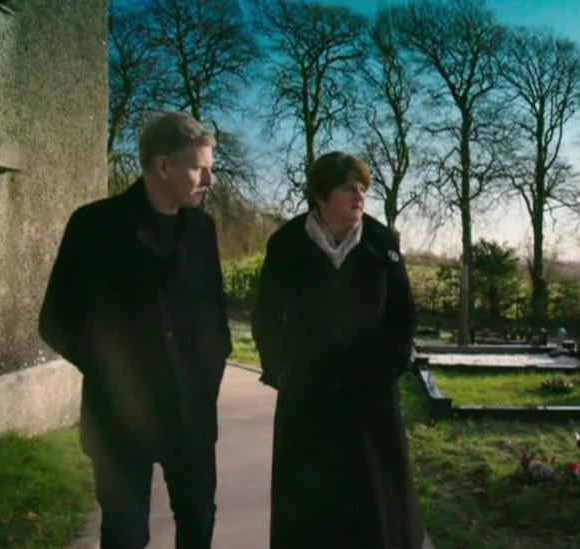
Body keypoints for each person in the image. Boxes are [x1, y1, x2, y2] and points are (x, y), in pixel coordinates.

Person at [39, 112, 231, 548]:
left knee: (198, 526)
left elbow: (213, 318)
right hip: (119, 419)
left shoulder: (203, 230)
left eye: (212, 169)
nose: (210, 180)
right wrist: (117, 372)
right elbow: (56, 320)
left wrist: (206, 379)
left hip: (191, 418)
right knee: (125, 534)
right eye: (200, 168)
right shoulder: (94, 225)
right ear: (162, 166)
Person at [253, 151, 425, 548]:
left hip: (369, 399)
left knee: (373, 506)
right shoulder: (286, 244)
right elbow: (265, 316)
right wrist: (281, 370)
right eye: (349, 188)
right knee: (309, 509)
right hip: (307, 400)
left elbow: (404, 314)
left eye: (363, 188)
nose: (359, 196)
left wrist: (391, 366)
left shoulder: (384, 244)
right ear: (321, 194)